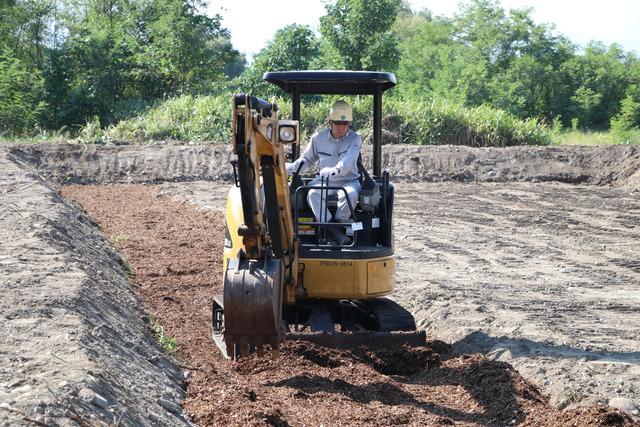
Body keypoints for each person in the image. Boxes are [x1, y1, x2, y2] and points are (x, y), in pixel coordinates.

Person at [286, 100, 362, 244]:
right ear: (330, 122)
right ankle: (335, 233)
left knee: (350, 194)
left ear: (349, 124)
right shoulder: (318, 138)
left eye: (345, 124)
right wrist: (291, 168)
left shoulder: (355, 138)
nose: (341, 127)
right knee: (313, 194)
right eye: (337, 123)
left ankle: (334, 228)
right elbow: (307, 160)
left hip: (348, 180)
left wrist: (336, 169)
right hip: (324, 181)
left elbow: (350, 159)